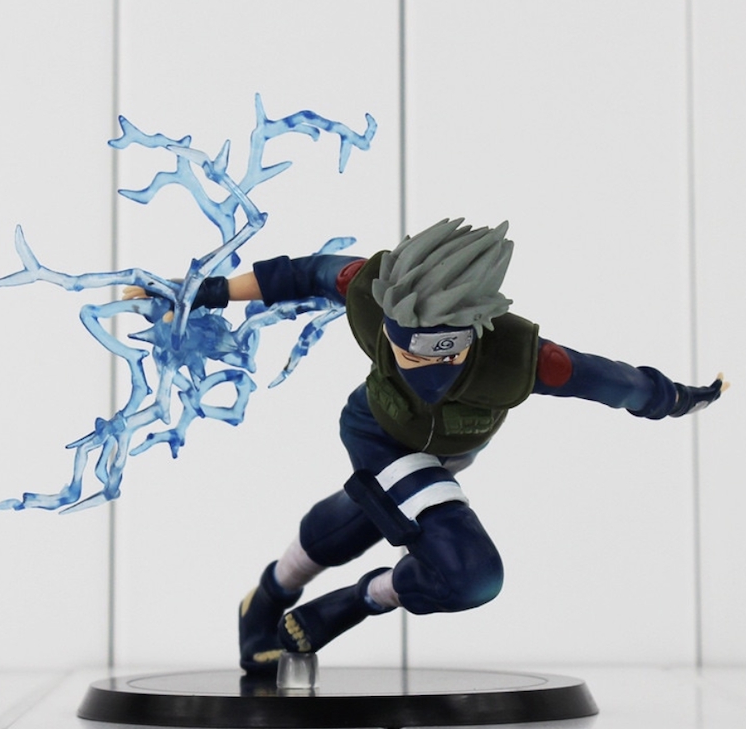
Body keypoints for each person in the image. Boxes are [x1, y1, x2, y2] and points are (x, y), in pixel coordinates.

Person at [126, 218, 727, 674]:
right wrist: (202, 292)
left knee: (363, 516)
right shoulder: (366, 289)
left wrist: (676, 397)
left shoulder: (522, 359)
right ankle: (352, 601)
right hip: (378, 433)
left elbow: (617, 382)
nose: (419, 367)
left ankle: (269, 596)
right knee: (470, 574)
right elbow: (298, 274)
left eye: (440, 352)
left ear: (474, 332)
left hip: (448, 453)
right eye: (405, 349)